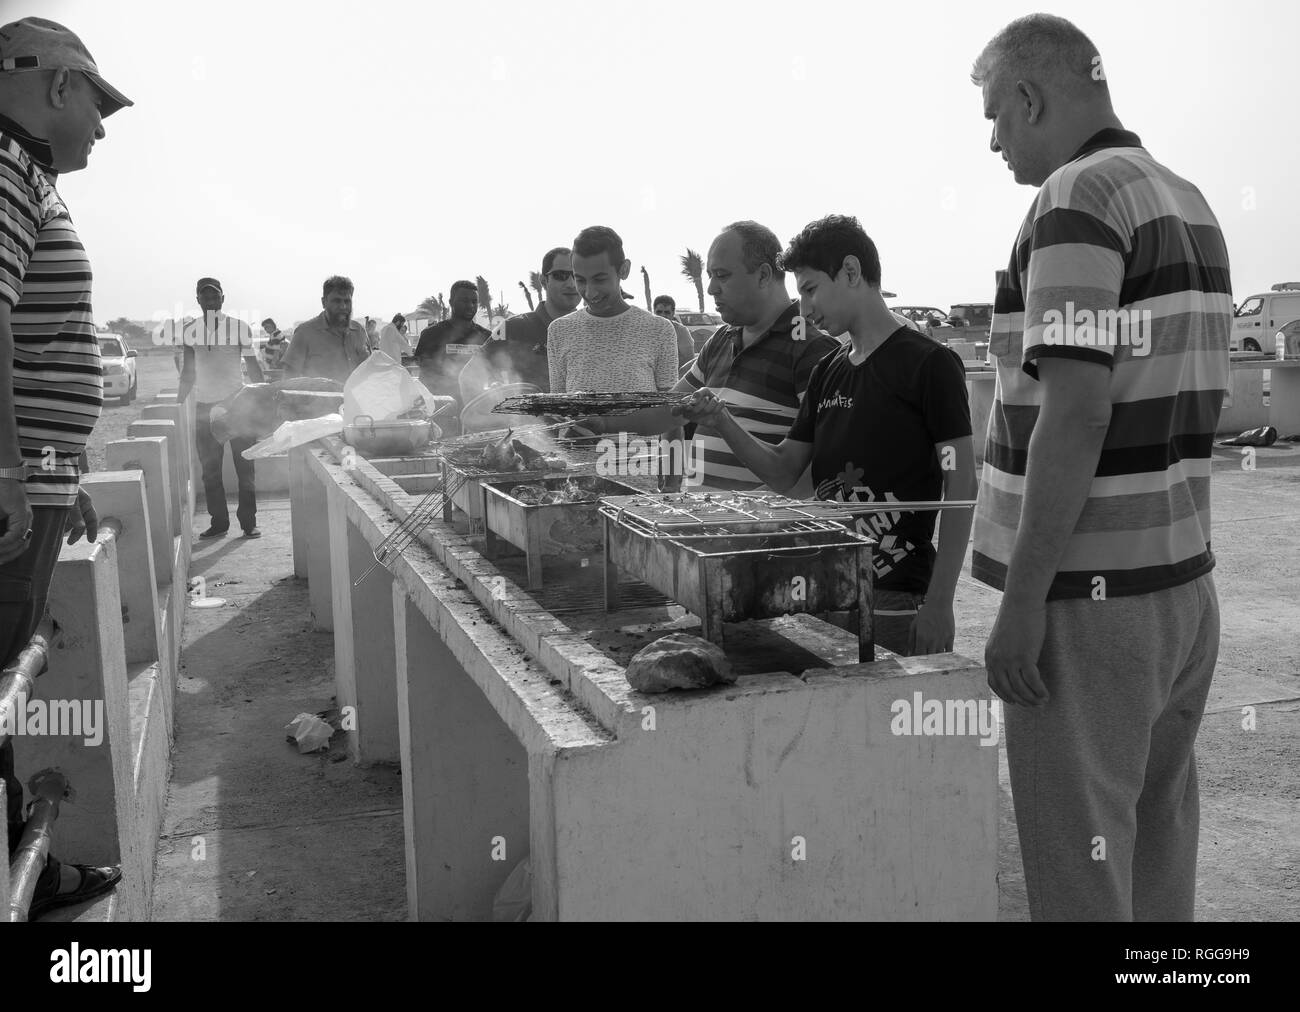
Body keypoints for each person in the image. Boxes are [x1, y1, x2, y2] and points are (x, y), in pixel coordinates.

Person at [970, 14, 1231, 921]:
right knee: (1157, 865)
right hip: (1181, 591)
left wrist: (1021, 603)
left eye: (997, 115)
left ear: (1032, 96)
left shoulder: (1075, 199)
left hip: (1089, 599)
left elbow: (1076, 414)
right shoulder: (1186, 198)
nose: (994, 140)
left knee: (1081, 875)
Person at [675, 215, 977, 657]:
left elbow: (962, 485)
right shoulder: (828, 372)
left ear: (851, 272)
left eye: (811, 289)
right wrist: (721, 420)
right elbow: (782, 471)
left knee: (896, 721)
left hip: (896, 599)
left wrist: (941, 602)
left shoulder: (929, 365)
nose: (805, 309)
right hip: (826, 589)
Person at [0, 14, 129, 920]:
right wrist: (9, 475)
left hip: (35, 482)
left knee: (9, 674)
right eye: (98, 101)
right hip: (10, 494)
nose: (102, 124)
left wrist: (56, 469)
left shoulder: (25, 173)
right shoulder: (6, 163)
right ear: (54, 85)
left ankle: (27, 868)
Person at [617, 221, 840, 494]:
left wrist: (747, 520)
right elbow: (668, 412)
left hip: (757, 531)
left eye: (722, 275)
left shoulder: (812, 349)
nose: (711, 288)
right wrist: (600, 422)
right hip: (700, 524)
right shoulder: (721, 339)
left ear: (763, 275)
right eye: (710, 275)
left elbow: (817, 471)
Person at [547, 226, 678, 395]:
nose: (589, 292)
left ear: (624, 270)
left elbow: (669, 411)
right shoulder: (559, 330)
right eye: (580, 280)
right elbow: (556, 405)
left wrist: (608, 423)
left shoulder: (659, 330)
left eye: (599, 279)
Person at [178, 278, 259, 539]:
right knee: (210, 470)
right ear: (198, 300)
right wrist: (178, 404)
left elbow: (253, 366)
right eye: (205, 296)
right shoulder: (190, 331)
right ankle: (219, 522)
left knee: (245, 467)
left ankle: (248, 523)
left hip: (239, 404)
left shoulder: (239, 327)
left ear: (223, 298)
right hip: (205, 408)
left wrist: (267, 400)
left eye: (215, 296)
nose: (210, 301)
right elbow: (188, 373)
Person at [481, 247, 581, 392]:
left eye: (577, 276)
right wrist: (479, 414)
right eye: (561, 275)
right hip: (526, 414)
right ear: (543, 281)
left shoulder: (592, 330)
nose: (571, 284)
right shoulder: (511, 328)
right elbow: (470, 374)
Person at [282, 275, 371, 384]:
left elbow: (370, 372)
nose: (343, 306)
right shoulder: (305, 333)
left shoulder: (359, 331)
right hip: (318, 401)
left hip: (357, 400)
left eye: (347, 301)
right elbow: (289, 380)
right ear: (324, 302)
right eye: (337, 301)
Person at [415, 280, 489, 400]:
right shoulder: (431, 334)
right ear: (451, 302)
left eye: (474, 301)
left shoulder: (486, 337)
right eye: (464, 301)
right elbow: (425, 377)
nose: (470, 305)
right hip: (443, 409)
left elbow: (493, 373)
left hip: (475, 408)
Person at [652, 295, 696, 372]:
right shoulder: (647, 329)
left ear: (673, 313)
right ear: (654, 312)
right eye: (659, 312)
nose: (663, 315)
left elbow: (689, 361)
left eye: (667, 312)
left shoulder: (681, 331)